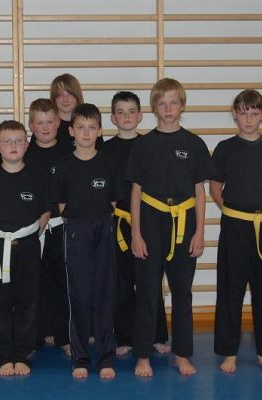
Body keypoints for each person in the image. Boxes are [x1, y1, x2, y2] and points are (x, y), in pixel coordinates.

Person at [126, 78, 215, 377]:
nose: (168, 108)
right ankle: (142, 355)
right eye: (162, 103)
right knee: (147, 290)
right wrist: (136, 233)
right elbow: (136, 191)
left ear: (182, 105)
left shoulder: (194, 144)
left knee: (182, 292)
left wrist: (200, 232)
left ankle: (182, 354)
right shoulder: (143, 145)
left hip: (184, 221)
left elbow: (200, 192)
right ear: (154, 107)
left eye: (173, 102)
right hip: (150, 221)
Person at [0, 120, 50, 376]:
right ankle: (4, 353)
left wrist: (26, 237)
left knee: (28, 300)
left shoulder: (37, 178)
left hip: (28, 246)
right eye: (7, 141)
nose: (13, 145)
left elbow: (45, 213)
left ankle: (23, 352)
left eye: (19, 140)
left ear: (27, 145)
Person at [53, 103, 121, 380]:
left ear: (100, 131)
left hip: (103, 228)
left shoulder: (109, 163)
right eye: (80, 127)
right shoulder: (64, 165)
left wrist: (98, 223)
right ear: (71, 131)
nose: (86, 132)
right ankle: (80, 357)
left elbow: (113, 202)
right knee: (78, 294)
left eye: (92, 127)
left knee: (104, 293)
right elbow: (61, 204)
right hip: (75, 230)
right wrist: (78, 224)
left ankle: (106, 357)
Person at [103, 91, 170, 357]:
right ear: (113, 118)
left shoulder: (151, 145)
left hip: (149, 220)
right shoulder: (105, 150)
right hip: (118, 221)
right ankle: (125, 336)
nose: (127, 117)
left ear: (141, 116)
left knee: (150, 280)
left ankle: (157, 334)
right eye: (121, 112)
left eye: (132, 111)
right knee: (121, 281)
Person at [211, 89, 262, 374]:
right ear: (235, 115)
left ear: (261, 115)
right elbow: (215, 186)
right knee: (231, 289)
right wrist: (230, 211)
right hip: (235, 226)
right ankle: (229, 352)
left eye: (254, 113)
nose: (249, 119)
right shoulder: (225, 148)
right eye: (243, 113)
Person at [24, 98, 71, 355]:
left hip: (62, 225)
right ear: (31, 125)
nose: (45, 127)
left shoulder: (68, 153)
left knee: (64, 282)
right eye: (39, 123)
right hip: (33, 229)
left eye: (50, 122)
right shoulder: (24, 154)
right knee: (33, 284)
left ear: (58, 123)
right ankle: (34, 337)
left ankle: (65, 336)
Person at [49, 73, 103, 150]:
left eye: (70, 94)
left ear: (77, 96)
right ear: (54, 98)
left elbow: (99, 152)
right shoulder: (46, 125)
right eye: (59, 94)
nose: (65, 99)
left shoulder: (90, 122)